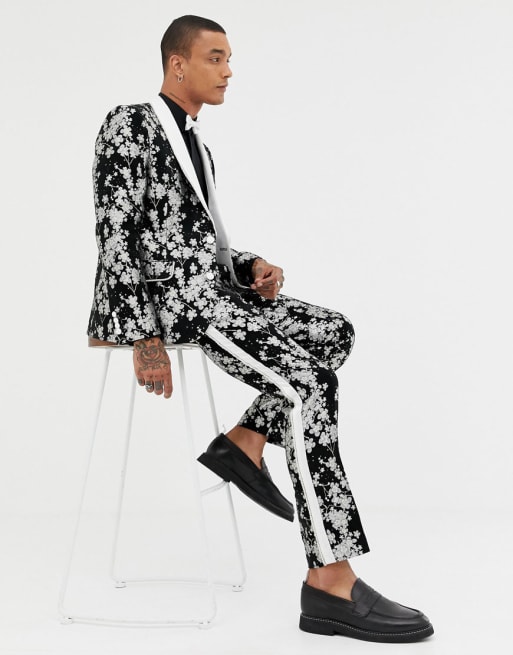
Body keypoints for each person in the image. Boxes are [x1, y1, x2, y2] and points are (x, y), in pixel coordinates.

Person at [87, 15, 434, 643]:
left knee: (334, 333)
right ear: (177, 64)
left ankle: (245, 440)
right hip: (180, 305)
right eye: (215, 58)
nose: (228, 71)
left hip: (219, 291)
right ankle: (330, 579)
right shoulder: (130, 124)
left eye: (229, 58)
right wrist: (144, 335)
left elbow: (194, 243)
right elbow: (117, 234)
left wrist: (248, 266)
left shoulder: (197, 144)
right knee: (308, 386)